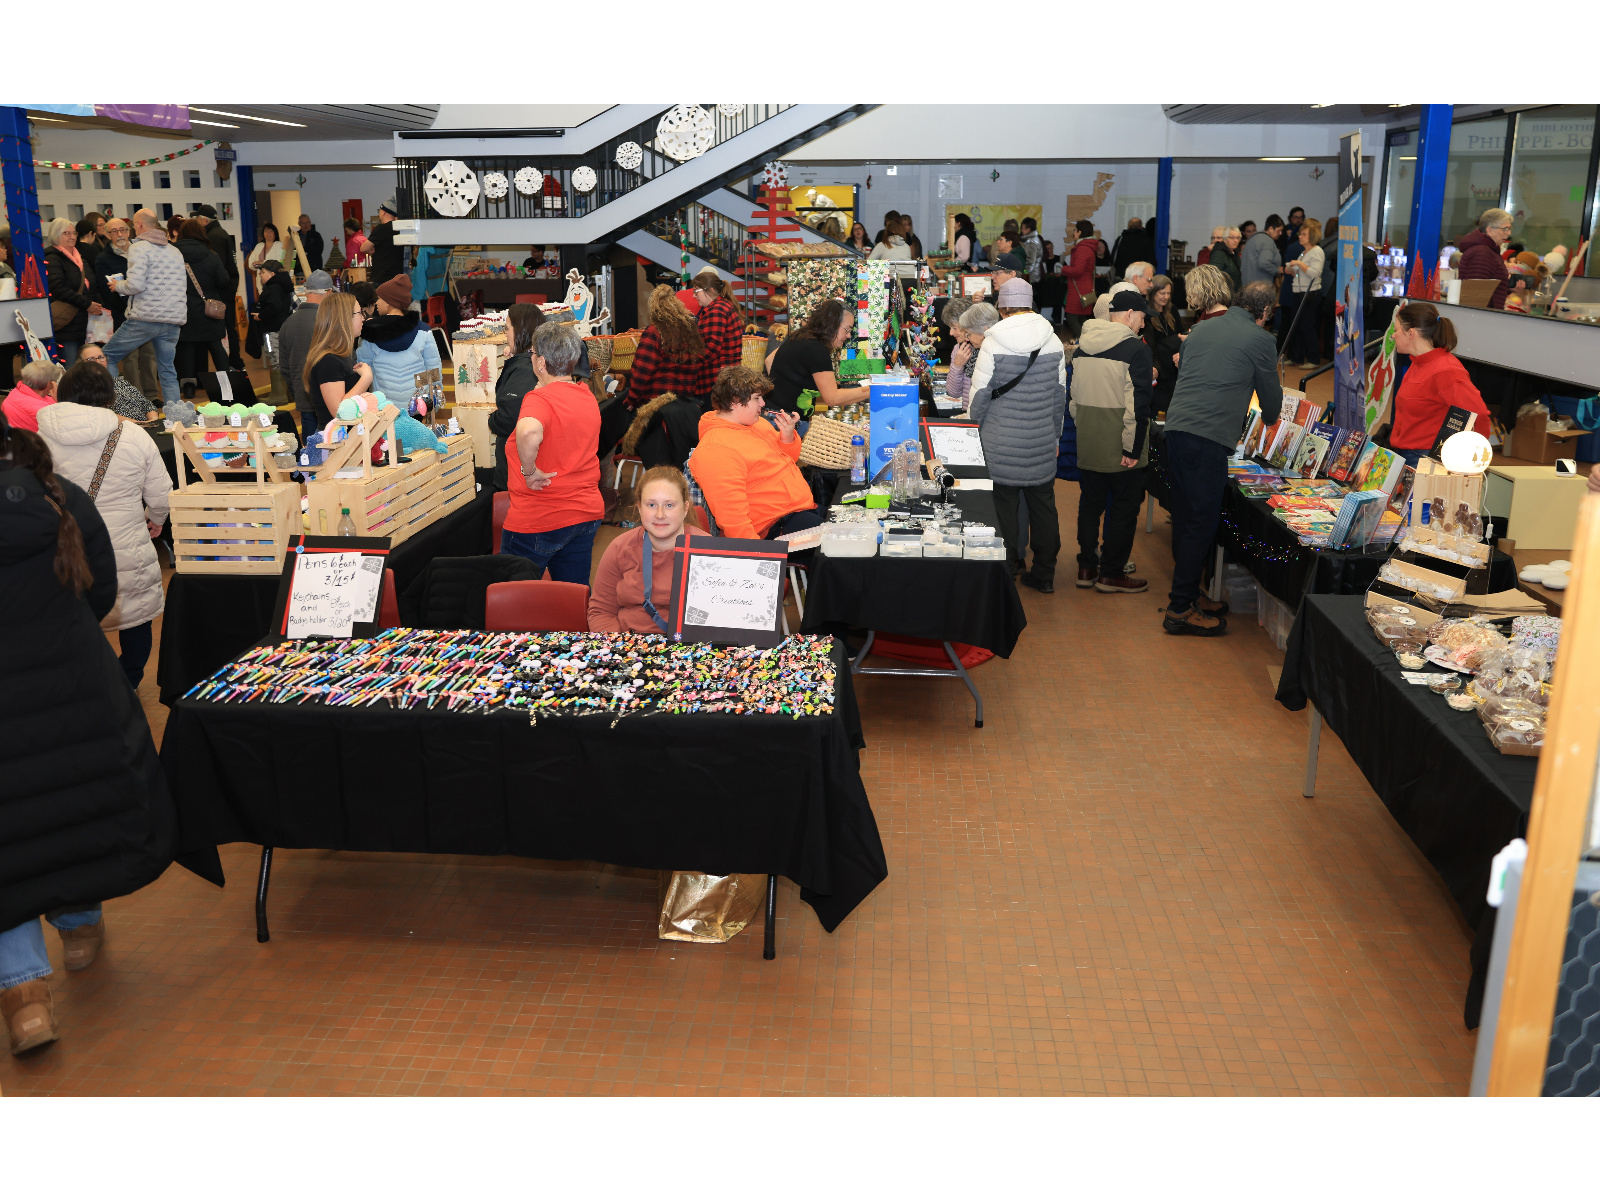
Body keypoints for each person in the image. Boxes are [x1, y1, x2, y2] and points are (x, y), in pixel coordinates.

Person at [0, 409, 175, 1057]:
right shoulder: (56, 495)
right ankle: (78, 925)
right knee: (74, 806)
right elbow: (100, 592)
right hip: (72, 687)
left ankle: (22, 999)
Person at [37, 360, 169, 688]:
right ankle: (127, 681)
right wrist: (156, 519)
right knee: (135, 617)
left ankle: (88, 684)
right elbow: (162, 494)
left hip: (65, 549)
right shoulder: (134, 436)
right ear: (110, 397)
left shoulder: (39, 440)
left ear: (64, 393)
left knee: (75, 618)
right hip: (126, 548)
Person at [1161, 280, 1282, 636]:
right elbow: (1272, 409)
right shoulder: (1261, 339)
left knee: (1185, 516)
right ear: (1265, 312)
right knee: (1202, 522)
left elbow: (1191, 375)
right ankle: (1179, 609)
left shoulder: (1201, 328)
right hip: (1208, 439)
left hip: (1177, 429)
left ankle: (1191, 593)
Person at [967, 290, 1067, 592]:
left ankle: (1008, 568)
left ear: (1003, 307)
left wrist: (973, 429)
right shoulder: (1054, 340)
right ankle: (1045, 573)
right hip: (1040, 440)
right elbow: (1059, 397)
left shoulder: (993, 341)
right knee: (1044, 506)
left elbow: (980, 397)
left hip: (1001, 442)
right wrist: (1056, 436)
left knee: (1004, 506)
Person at [502, 322, 604, 582]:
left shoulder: (539, 401)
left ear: (541, 362)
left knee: (512, 601)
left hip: (539, 517)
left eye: (533, 354)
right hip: (583, 514)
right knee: (571, 597)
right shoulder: (586, 396)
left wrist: (529, 470)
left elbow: (528, 432)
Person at [1069, 290, 1153, 594]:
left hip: (1089, 441)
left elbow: (1074, 401)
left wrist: (1087, 431)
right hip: (1122, 446)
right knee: (1123, 509)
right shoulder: (1136, 350)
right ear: (1130, 315)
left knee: (1090, 505)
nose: (1143, 325)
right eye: (1143, 318)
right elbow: (1138, 406)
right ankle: (1111, 574)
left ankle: (1086, 567)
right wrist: (1131, 449)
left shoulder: (1081, 349)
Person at [692, 365, 816, 540]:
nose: (763, 403)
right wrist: (761, 557)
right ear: (735, 401)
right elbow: (733, 520)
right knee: (845, 550)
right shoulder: (715, 450)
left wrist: (787, 437)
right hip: (772, 527)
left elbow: (788, 461)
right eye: (757, 398)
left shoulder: (757, 424)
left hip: (797, 510)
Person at [587, 466, 708, 633]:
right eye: (651, 505)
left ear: (685, 508)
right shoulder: (620, 548)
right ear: (639, 508)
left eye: (669, 505)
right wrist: (619, 649)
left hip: (686, 649)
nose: (660, 514)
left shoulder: (708, 552)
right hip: (628, 646)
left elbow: (722, 616)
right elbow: (601, 611)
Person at [102, 208, 187, 408]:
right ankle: (176, 419)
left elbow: (135, 285)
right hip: (173, 319)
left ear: (139, 225)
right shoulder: (175, 251)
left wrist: (117, 286)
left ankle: (118, 408)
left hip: (144, 318)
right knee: (167, 369)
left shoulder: (138, 248)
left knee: (108, 356)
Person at [1387, 303, 1490, 466]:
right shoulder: (1418, 363)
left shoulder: (1446, 371)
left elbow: (1479, 414)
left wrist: (1474, 461)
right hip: (1406, 454)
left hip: (1425, 459)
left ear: (1411, 333)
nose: (1393, 335)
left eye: (1396, 329)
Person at [93, 218, 161, 405]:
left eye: (122, 230)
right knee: (130, 357)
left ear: (129, 231)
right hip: (122, 313)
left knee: (149, 355)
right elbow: (104, 287)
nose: (120, 234)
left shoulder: (141, 250)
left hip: (146, 311)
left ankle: (151, 395)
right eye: (114, 231)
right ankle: (137, 398)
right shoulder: (103, 258)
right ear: (107, 234)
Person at [767, 298, 870, 416]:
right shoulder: (816, 349)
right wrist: (870, 391)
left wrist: (785, 388)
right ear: (833, 324)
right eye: (847, 329)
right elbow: (832, 398)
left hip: (774, 413)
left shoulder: (801, 336)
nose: (848, 335)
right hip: (784, 419)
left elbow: (769, 360)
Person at [355, 272, 441, 399]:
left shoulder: (369, 331)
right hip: (417, 406)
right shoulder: (423, 330)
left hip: (383, 406)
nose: (377, 302)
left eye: (379, 298)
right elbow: (432, 367)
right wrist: (432, 398)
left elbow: (364, 370)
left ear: (389, 302)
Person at [628, 285, 714, 406]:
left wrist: (631, 398)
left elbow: (642, 371)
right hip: (686, 402)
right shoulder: (690, 330)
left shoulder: (655, 331)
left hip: (657, 404)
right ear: (677, 304)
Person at [488, 304, 543, 491]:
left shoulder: (525, 369)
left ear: (521, 330)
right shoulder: (529, 362)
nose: (505, 333)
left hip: (516, 470)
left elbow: (509, 417)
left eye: (508, 327)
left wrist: (492, 419)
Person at [173, 218, 231, 394]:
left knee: (187, 347)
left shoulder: (173, 254)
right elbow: (224, 280)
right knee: (215, 345)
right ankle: (225, 385)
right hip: (209, 308)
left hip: (183, 308)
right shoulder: (211, 255)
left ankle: (189, 387)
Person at [301, 293, 372, 429]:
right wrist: (366, 378)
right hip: (337, 442)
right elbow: (339, 412)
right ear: (345, 319)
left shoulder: (340, 355)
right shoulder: (328, 361)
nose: (363, 317)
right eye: (359, 313)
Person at [45, 217, 106, 366]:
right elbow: (59, 288)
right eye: (67, 233)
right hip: (67, 326)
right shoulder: (52, 259)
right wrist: (87, 305)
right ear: (56, 235)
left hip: (86, 324)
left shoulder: (80, 260)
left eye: (74, 233)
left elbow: (94, 286)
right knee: (71, 369)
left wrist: (99, 306)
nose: (72, 237)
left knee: (88, 369)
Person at [279, 270, 332, 440]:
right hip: (329, 397)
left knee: (311, 452)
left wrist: (297, 389)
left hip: (302, 395)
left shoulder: (288, 323)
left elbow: (284, 368)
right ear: (329, 293)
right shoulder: (329, 321)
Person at [195, 204, 242, 369]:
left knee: (225, 329)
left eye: (197, 219)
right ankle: (234, 361)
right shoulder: (220, 233)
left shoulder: (213, 237)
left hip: (222, 292)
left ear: (204, 220)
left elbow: (218, 268)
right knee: (229, 328)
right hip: (227, 289)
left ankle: (234, 362)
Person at [1282, 218, 1325, 369]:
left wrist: (1299, 264)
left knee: (1307, 326)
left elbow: (1315, 274)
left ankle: (1314, 359)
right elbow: (1301, 272)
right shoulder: (1303, 252)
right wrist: (1292, 269)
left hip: (1310, 293)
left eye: (1304, 234)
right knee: (1297, 325)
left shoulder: (1317, 251)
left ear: (1312, 236)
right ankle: (1296, 357)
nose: (1300, 236)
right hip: (1299, 292)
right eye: (1300, 234)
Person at [76, 344, 155, 421]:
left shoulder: (119, 382)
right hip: (119, 430)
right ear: (80, 363)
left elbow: (147, 404)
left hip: (145, 426)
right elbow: (103, 415)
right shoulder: (82, 388)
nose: (98, 362)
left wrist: (153, 420)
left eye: (101, 357)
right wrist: (140, 424)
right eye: (91, 359)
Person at [1144, 274, 1185, 415]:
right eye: (1162, 293)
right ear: (1153, 292)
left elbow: (1179, 332)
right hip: (1161, 367)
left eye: (1168, 293)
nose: (1165, 297)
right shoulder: (1147, 314)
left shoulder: (1171, 309)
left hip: (1173, 365)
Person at [1458, 208, 1514, 310]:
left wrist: (1509, 288)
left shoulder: (1489, 250)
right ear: (1489, 230)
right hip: (1481, 316)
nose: (1508, 233)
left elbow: (1489, 289)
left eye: (1510, 228)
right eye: (1505, 229)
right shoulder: (1482, 253)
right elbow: (1475, 295)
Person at [692, 269, 743, 377]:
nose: (694, 295)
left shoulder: (717, 311)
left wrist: (687, 364)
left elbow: (711, 349)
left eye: (696, 291)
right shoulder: (720, 306)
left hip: (716, 377)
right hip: (723, 375)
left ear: (710, 290)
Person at [1060, 219, 1099, 339]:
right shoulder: (1088, 247)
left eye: (1075, 230)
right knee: (1081, 318)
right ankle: (1087, 343)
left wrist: (1064, 269)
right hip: (1084, 287)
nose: (1074, 233)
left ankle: (1084, 342)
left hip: (1079, 289)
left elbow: (1077, 271)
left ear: (1080, 232)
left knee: (1071, 317)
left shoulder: (1082, 248)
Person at [1, 360, 64, 433]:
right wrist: (58, 401)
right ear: (49, 384)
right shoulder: (46, 410)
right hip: (32, 443)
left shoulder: (14, 393)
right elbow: (64, 428)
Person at [942, 298, 983, 407]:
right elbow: (953, 393)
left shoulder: (986, 346)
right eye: (950, 328)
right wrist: (957, 366)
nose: (951, 333)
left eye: (954, 328)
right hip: (968, 413)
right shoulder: (959, 349)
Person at [868, 215, 916, 280]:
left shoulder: (882, 245)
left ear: (886, 231)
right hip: (911, 278)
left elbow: (868, 262)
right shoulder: (906, 246)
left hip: (892, 279)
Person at [1240, 215, 1284, 287]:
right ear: (1270, 228)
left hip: (1248, 286)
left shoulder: (1253, 239)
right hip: (1260, 288)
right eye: (1279, 230)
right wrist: (1277, 270)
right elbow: (1264, 263)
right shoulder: (1267, 241)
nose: (1280, 233)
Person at [366, 202, 403, 285]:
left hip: (382, 277)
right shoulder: (401, 229)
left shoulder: (381, 229)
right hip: (398, 276)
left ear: (383, 212)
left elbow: (363, 248)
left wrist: (371, 250)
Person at [246, 223, 286, 294]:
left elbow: (278, 262)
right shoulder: (259, 246)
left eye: (271, 231)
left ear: (275, 233)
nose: (268, 233)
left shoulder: (279, 244)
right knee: (263, 299)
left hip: (274, 279)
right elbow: (250, 263)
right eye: (266, 231)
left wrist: (261, 263)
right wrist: (256, 265)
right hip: (260, 279)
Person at [1208, 226, 1243, 294]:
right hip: (1223, 294)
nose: (1235, 240)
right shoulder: (1218, 253)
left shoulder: (1235, 253)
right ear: (1225, 239)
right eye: (1232, 238)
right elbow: (1214, 276)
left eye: (1237, 238)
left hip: (1234, 292)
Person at [1019, 216, 1044, 283]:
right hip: (1032, 276)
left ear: (1028, 229)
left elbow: (1030, 263)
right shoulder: (1031, 240)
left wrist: (1023, 275)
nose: (1021, 230)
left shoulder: (1032, 242)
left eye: (1022, 228)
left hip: (1030, 278)